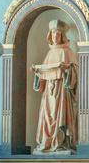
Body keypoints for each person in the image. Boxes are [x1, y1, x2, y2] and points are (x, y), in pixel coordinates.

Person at [31, 19, 78, 154]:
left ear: (62, 36)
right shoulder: (50, 53)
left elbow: (74, 74)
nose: (55, 37)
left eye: (57, 34)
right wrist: (37, 72)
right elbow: (41, 78)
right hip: (48, 93)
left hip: (61, 91)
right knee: (46, 115)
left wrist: (67, 70)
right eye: (52, 34)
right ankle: (46, 142)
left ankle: (61, 143)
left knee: (60, 115)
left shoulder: (67, 52)